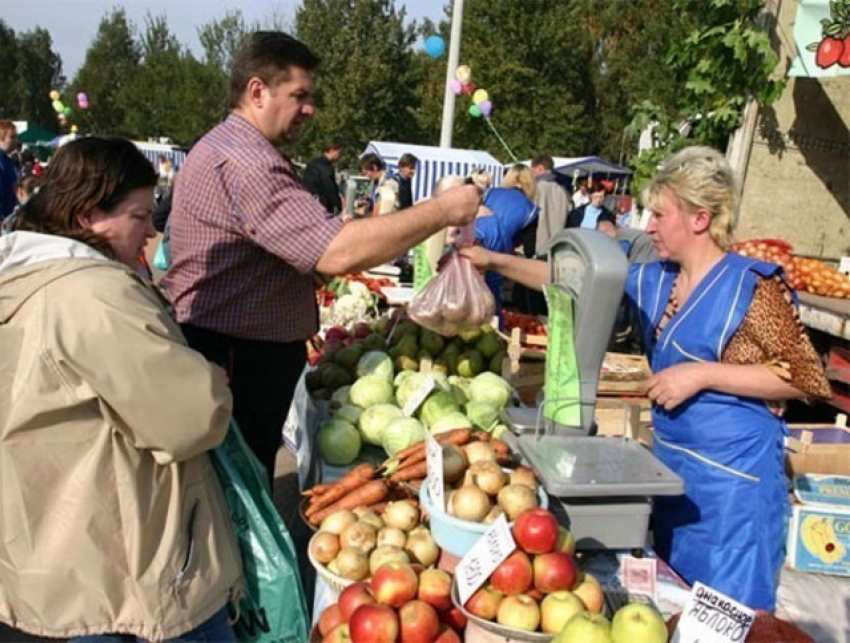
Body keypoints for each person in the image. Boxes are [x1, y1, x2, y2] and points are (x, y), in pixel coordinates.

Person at [458, 146, 832, 611]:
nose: (648, 225)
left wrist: (701, 375)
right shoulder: (657, 279)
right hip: (674, 477)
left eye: (660, 214)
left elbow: (804, 376)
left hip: (735, 492)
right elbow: (570, 277)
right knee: (680, 612)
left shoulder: (751, 286)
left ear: (699, 218)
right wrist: (493, 262)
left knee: (732, 616)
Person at [163, 31, 479, 483]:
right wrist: (442, 211)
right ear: (257, 91)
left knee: (231, 488)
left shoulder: (227, 148)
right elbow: (337, 250)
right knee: (236, 492)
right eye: (300, 95)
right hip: (237, 358)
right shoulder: (248, 162)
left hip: (229, 349)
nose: (310, 109)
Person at [0, 137, 242, 641]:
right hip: (124, 571)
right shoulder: (91, 294)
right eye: (138, 215)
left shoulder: (25, 277)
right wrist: (207, 381)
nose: (152, 230)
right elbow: (189, 419)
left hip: (53, 555)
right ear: (89, 215)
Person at [303, 141, 343, 215]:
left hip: (308, 203)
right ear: (332, 151)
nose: (340, 156)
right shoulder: (326, 168)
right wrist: (340, 206)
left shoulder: (312, 163)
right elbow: (330, 190)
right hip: (322, 206)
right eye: (339, 153)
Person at [0, 120, 19, 221]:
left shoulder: (8, 161)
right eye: (12, 137)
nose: (16, 140)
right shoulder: (1, 162)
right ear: (1, 138)